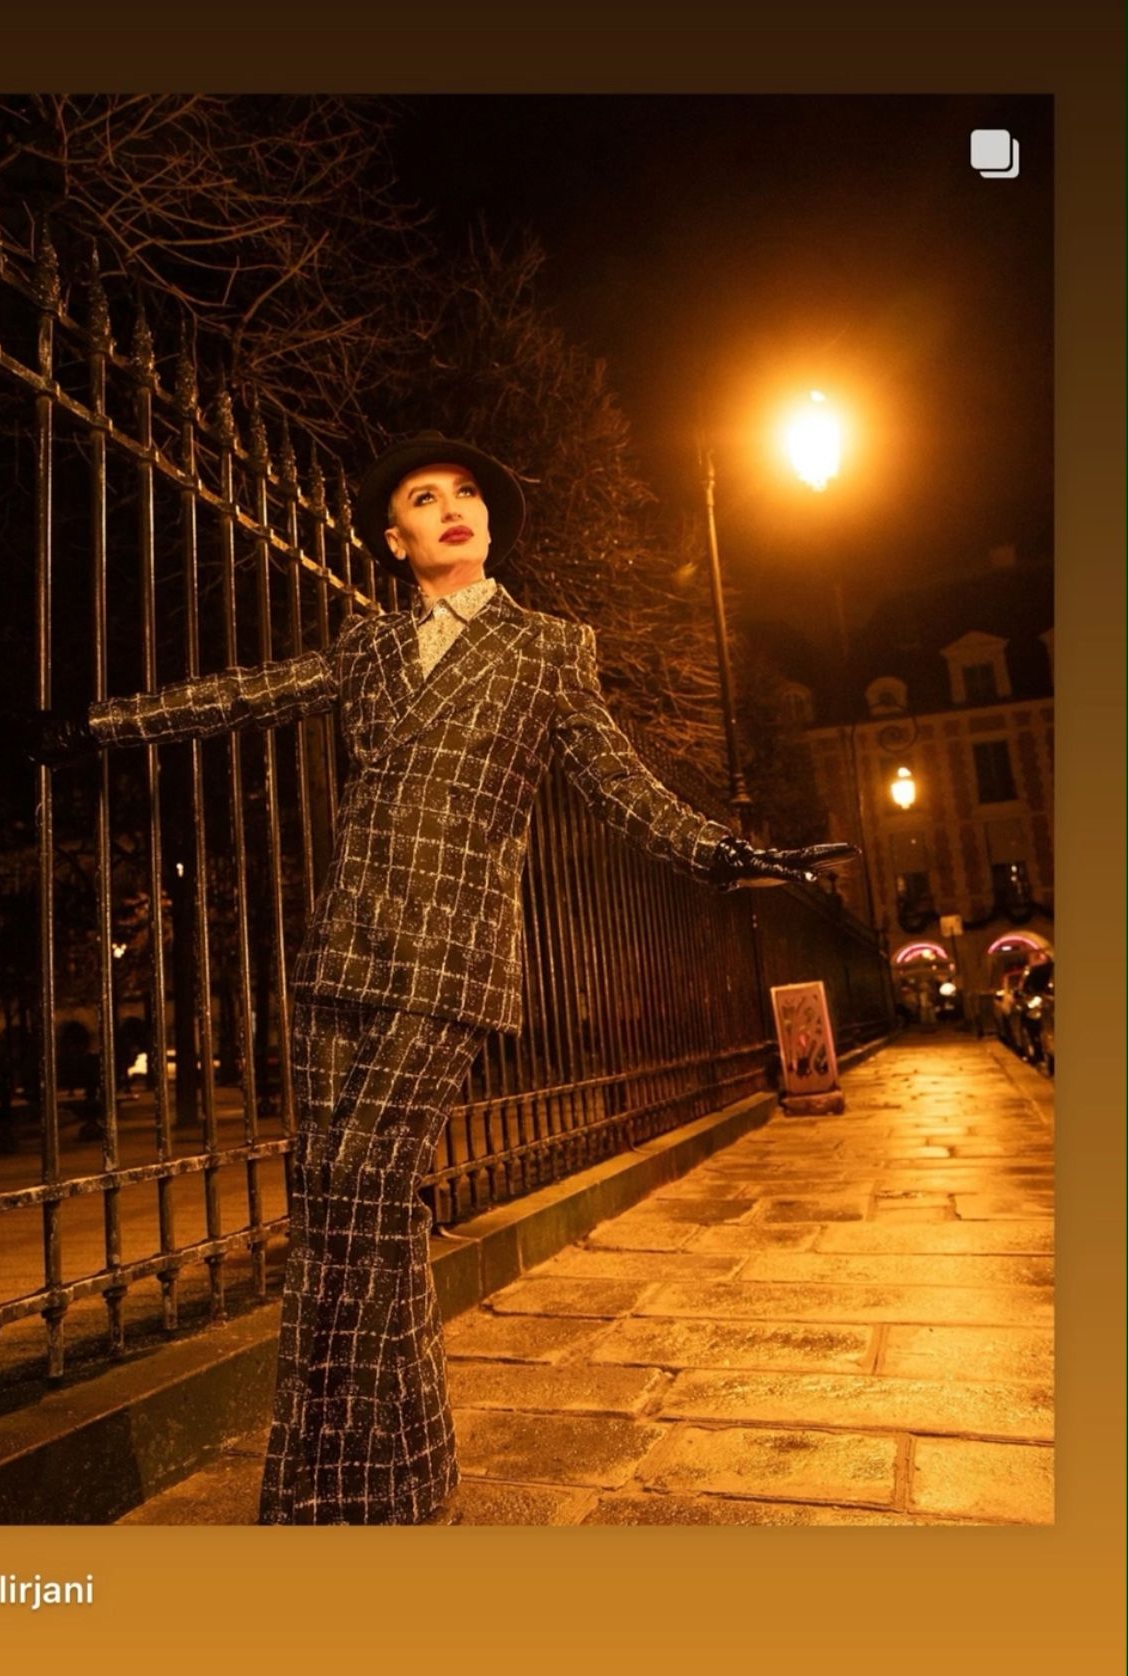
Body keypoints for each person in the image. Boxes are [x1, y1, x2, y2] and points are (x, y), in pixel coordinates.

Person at [44, 430, 853, 1525]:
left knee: (368, 1188)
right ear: (396, 539)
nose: (452, 507)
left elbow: (619, 781)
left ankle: (354, 1487)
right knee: (337, 1215)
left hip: (452, 956)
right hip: (346, 948)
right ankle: (379, 1479)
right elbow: (244, 694)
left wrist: (726, 852)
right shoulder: (368, 647)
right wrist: (96, 724)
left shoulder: (549, 648)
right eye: (425, 499)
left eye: (465, 491)